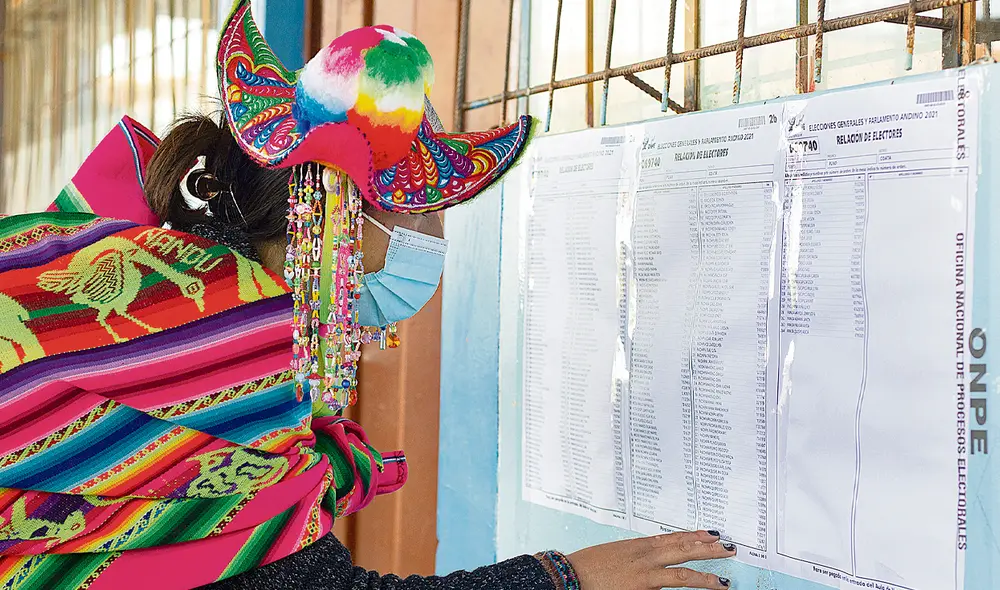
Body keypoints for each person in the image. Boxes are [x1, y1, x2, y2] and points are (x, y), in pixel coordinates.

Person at [0, 2, 736, 588]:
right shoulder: (231, 370)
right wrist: (566, 578)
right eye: (425, 215)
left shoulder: (111, 269)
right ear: (343, 220)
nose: (437, 240)